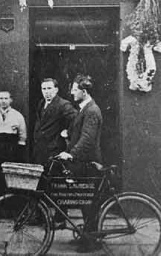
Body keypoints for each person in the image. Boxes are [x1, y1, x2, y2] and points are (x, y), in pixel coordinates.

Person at [57, 74, 103, 251]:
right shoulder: (85, 108)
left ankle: (91, 242)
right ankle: (89, 237)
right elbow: (81, 132)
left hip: (88, 163)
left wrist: (71, 154)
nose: (72, 93)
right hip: (83, 162)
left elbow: (87, 139)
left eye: (75, 90)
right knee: (86, 202)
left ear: (84, 92)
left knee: (88, 203)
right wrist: (68, 133)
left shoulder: (91, 110)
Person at [0, 91, 27, 203]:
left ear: (10, 100)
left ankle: (10, 205)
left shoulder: (18, 116)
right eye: (1, 98)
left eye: (6, 98)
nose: (3, 101)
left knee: (10, 177)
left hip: (11, 150)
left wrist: (17, 151)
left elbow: (22, 135)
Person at [32, 78, 78, 166]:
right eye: (44, 89)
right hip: (39, 150)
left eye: (49, 88)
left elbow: (77, 119)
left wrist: (67, 132)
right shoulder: (41, 103)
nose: (46, 92)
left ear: (56, 90)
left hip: (54, 151)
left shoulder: (63, 104)